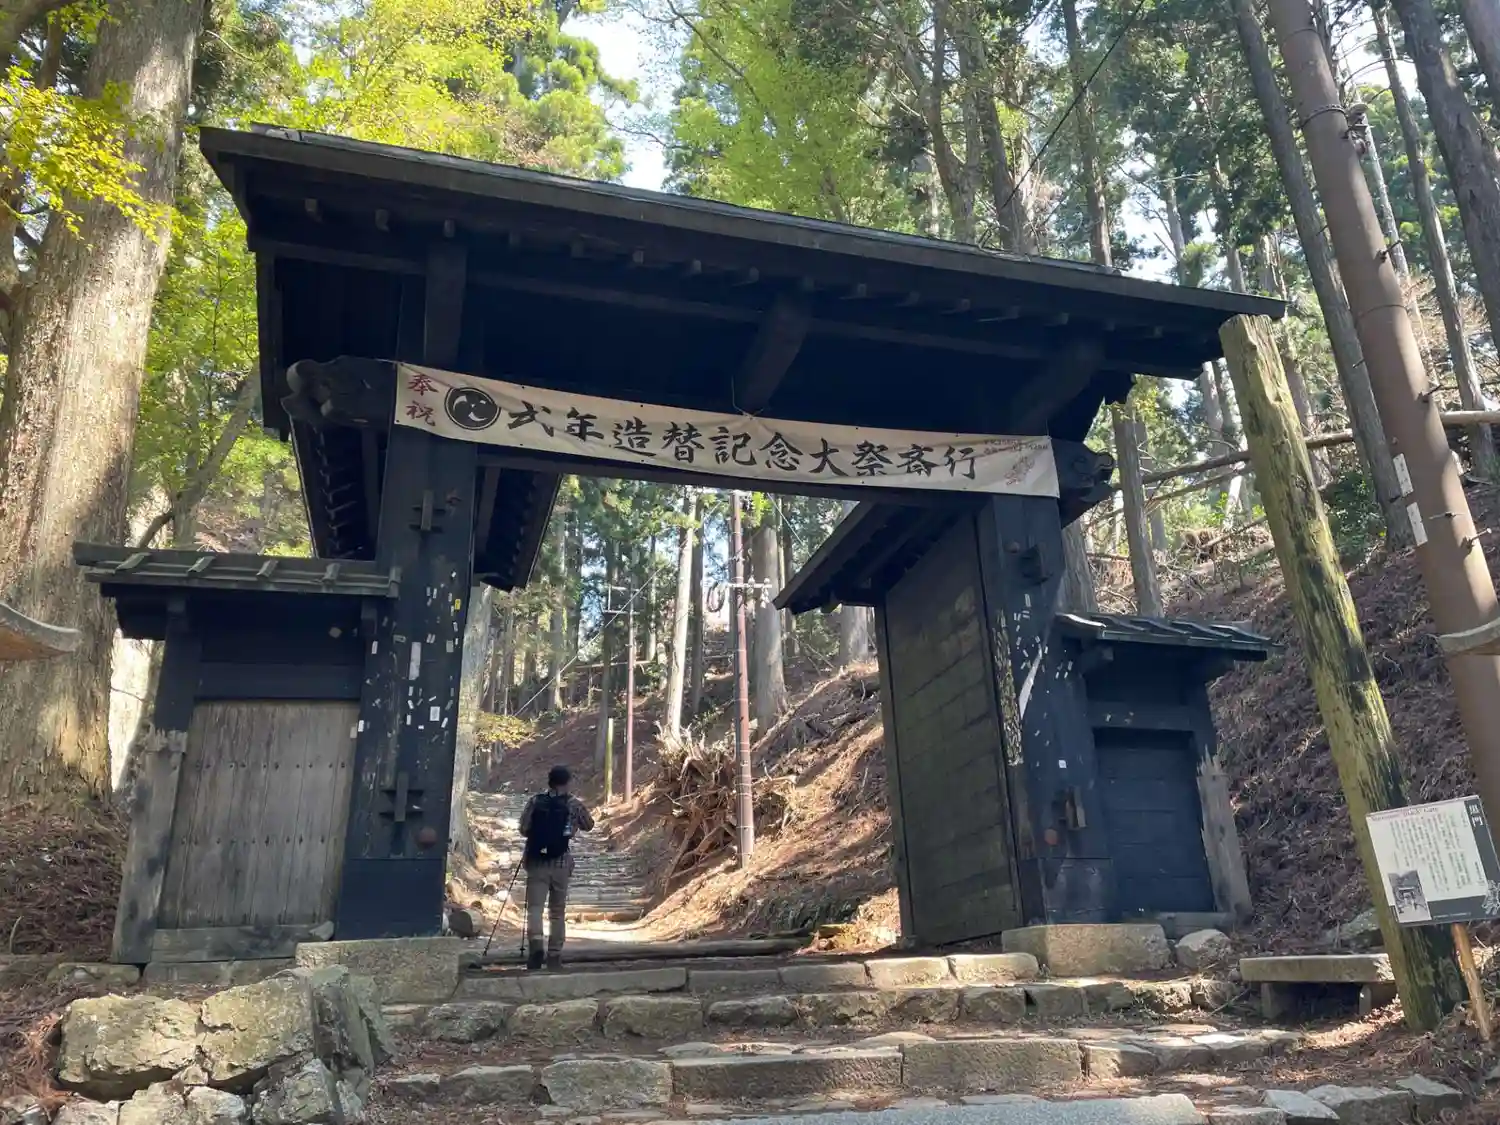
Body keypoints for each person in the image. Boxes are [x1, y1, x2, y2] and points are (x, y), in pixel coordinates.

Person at [518, 765, 594, 970]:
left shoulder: (535, 801)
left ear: (549, 781)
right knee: (557, 912)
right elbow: (589, 825)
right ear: (567, 782)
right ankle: (554, 955)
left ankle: (536, 947)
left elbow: (523, 829)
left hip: (536, 862)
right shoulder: (573, 804)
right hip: (561, 862)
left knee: (535, 908)